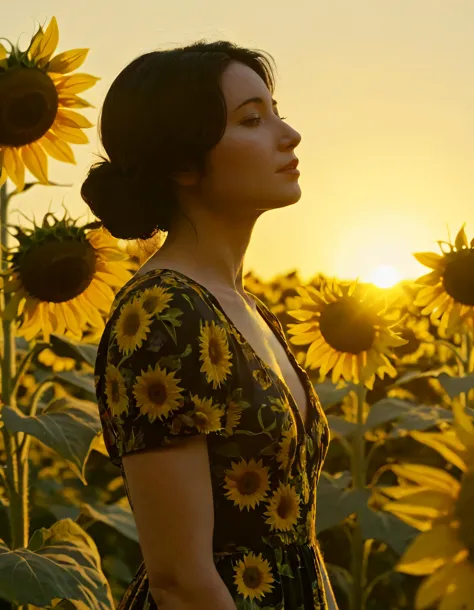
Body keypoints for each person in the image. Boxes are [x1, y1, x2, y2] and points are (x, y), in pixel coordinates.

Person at [82, 40, 338, 609]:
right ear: (182, 163)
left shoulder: (243, 307)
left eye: (277, 111)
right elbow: (181, 581)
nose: (288, 134)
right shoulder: (161, 314)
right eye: (252, 119)